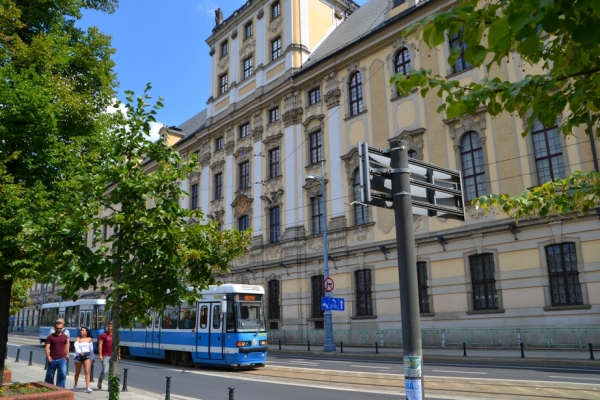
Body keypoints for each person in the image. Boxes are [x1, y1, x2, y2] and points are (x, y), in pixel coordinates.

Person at [44, 318, 69, 388]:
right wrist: (48, 356)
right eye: (57, 328)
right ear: (55, 327)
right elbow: (47, 347)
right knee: (50, 376)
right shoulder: (50, 337)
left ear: (62, 327)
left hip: (62, 359)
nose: (59, 330)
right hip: (52, 359)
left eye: (60, 328)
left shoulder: (65, 337)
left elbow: (66, 346)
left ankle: (60, 389)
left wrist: (66, 354)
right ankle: (49, 388)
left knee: (63, 374)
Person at [72, 326, 95, 392]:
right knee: (77, 372)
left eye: (83, 330)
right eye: (81, 330)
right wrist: (79, 352)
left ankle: (88, 387)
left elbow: (91, 349)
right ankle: (75, 385)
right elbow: (76, 346)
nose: (81, 331)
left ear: (86, 332)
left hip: (86, 356)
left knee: (87, 372)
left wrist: (92, 357)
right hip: (79, 356)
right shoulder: (78, 339)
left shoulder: (89, 339)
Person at [97, 321, 113, 390]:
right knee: (105, 371)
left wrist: (119, 354)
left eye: (111, 326)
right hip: (105, 355)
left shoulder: (115, 335)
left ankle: (110, 386)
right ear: (107, 326)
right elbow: (100, 345)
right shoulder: (103, 335)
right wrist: (100, 355)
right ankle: (100, 380)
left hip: (112, 355)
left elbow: (117, 345)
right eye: (109, 326)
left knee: (112, 372)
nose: (110, 327)